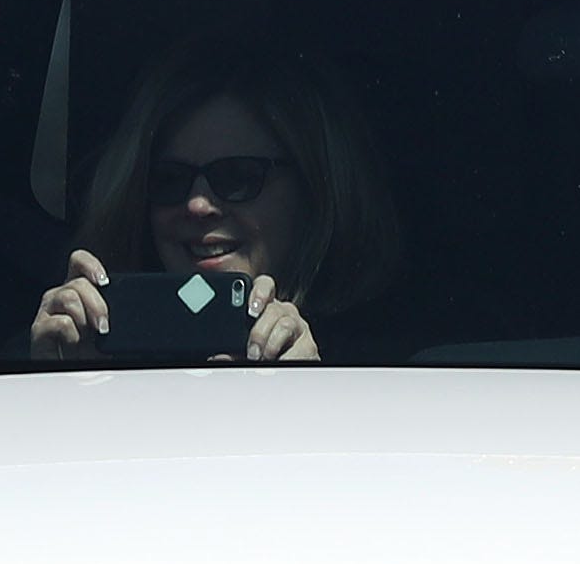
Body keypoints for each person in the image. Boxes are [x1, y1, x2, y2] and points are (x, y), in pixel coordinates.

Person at [28, 56, 399, 364]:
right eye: (169, 180)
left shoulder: (399, 369)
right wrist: (61, 386)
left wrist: (312, 399)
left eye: (238, 178)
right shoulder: (87, 344)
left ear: (314, 191)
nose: (197, 205)